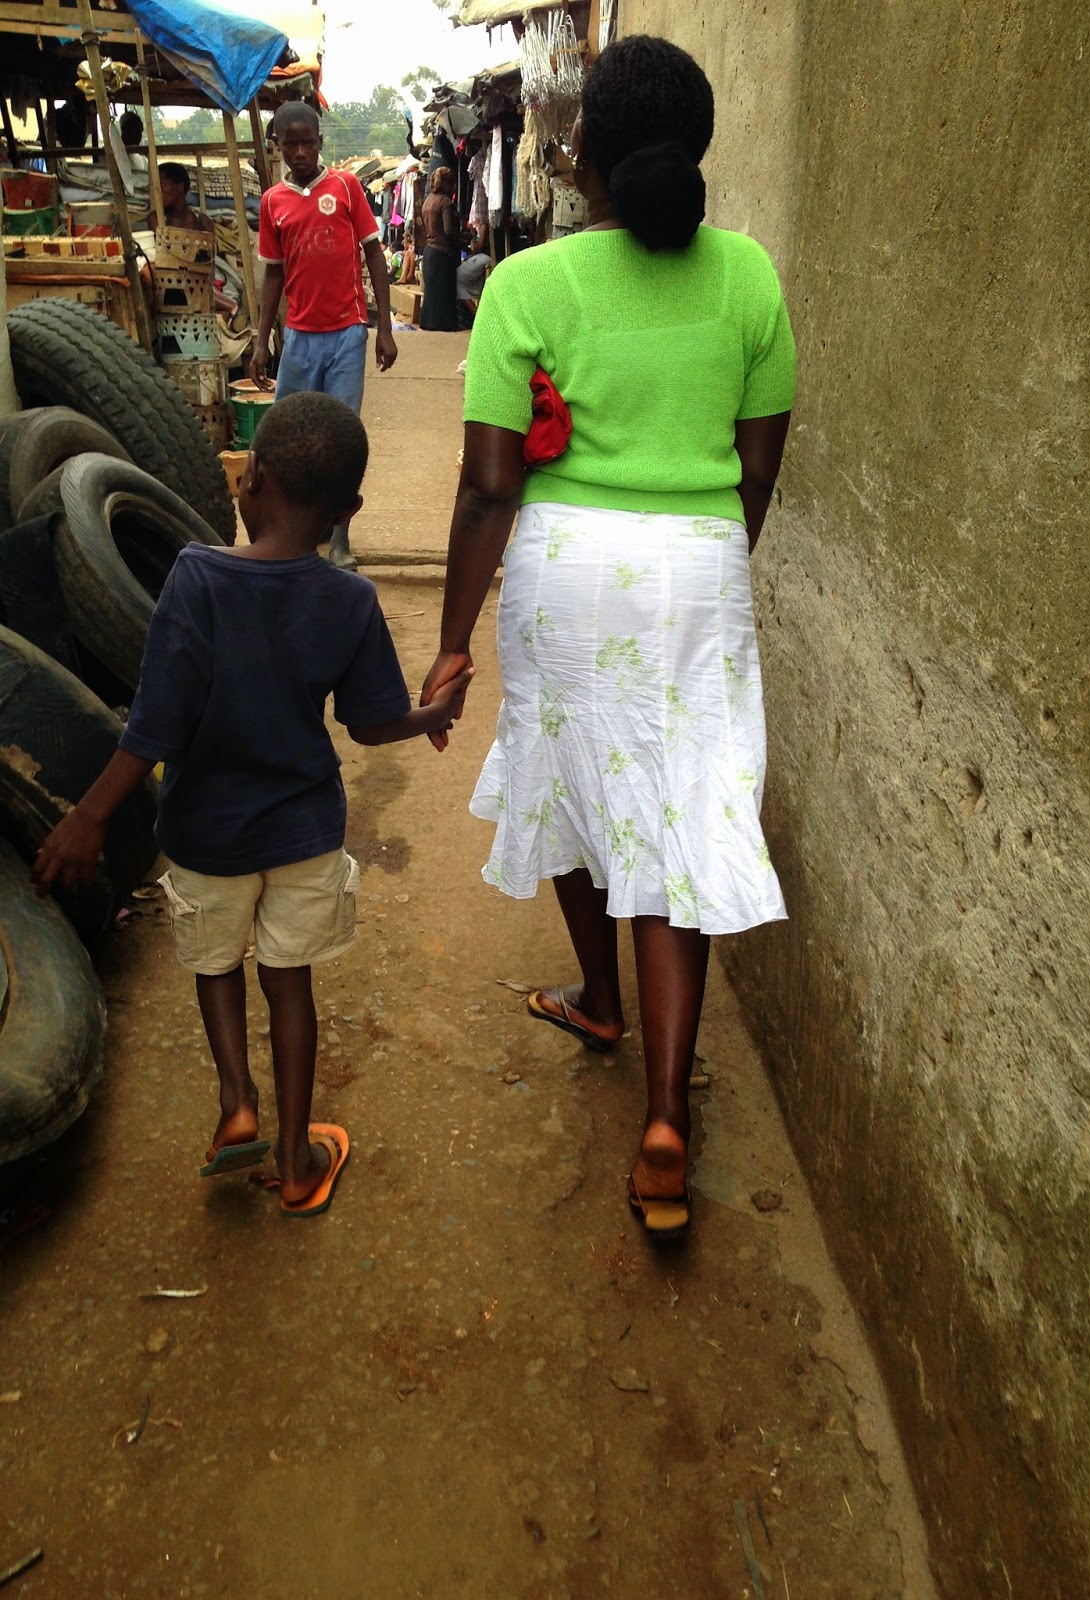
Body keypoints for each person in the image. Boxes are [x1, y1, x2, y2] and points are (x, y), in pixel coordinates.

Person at [421, 35, 796, 1241]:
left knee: (576, 777)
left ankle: (598, 995)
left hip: (566, 570)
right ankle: (667, 1114)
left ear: (579, 152)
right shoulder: (749, 277)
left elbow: (489, 486)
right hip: (699, 566)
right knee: (677, 811)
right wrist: (707, 562)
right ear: (698, 145)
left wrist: (452, 639)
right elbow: (756, 471)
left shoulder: (528, 288)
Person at [32, 393, 471, 1217]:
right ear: (349, 510)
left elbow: (155, 724)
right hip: (302, 833)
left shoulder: (195, 577)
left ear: (251, 478)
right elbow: (372, 725)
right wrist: (434, 714)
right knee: (288, 979)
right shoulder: (349, 600)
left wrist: (87, 817)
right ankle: (298, 1161)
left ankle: (237, 1101)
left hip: (206, 834)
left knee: (216, 967)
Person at [251, 102, 398, 572]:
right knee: (285, 435)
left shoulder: (346, 187)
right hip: (299, 337)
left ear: (320, 143)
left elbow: (374, 255)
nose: (299, 152)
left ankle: (339, 538)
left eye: (307, 143)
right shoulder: (272, 202)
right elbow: (273, 275)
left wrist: (384, 327)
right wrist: (261, 340)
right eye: (289, 144)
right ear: (278, 146)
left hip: (347, 334)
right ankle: (286, 531)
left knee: (341, 438)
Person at [420, 166, 464, 332]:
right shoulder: (445, 202)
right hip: (442, 254)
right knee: (444, 293)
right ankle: (443, 325)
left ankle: (429, 323)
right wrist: (463, 239)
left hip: (429, 252)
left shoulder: (428, 201)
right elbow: (449, 231)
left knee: (431, 293)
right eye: (452, 184)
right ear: (447, 184)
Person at [156, 162, 208, 232]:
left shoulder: (202, 223)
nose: (157, 192)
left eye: (162, 186)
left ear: (180, 186)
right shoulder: (156, 220)